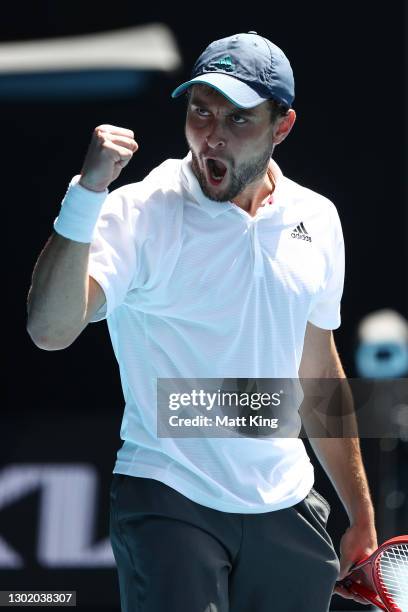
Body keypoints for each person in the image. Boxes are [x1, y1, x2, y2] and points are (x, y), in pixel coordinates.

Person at [27, 31, 378, 612]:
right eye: (200, 111)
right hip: (169, 497)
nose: (212, 135)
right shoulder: (137, 211)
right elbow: (49, 329)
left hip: (287, 504)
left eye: (238, 119)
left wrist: (361, 515)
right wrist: (87, 194)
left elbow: (318, 369)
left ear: (281, 127)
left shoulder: (317, 218)